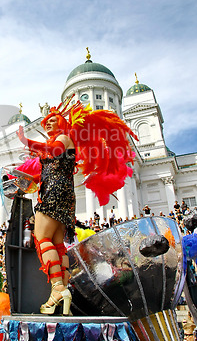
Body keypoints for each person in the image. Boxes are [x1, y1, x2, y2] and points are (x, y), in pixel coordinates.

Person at [17, 95, 137, 315]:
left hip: (54, 194)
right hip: (62, 195)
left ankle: (57, 289)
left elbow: (51, 152)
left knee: (42, 239)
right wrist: (25, 180)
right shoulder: (62, 142)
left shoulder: (62, 138)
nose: (48, 123)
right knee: (58, 244)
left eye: (52, 120)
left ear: (62, 122)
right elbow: (45, 170)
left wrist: (27, 142)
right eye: (46, 122)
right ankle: (63, 295)